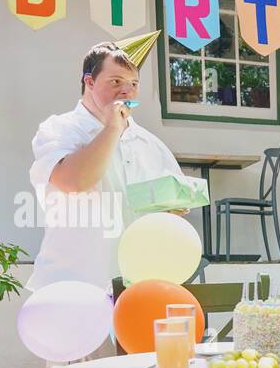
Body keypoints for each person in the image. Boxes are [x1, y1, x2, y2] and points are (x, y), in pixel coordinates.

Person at [28, 38, 185, 291]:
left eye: (133, 84)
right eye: (116, 82)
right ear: (89, 82)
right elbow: (74, 181)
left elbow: (173, 211)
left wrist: (173, 207)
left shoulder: (151, 144)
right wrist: (113, 127)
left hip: (137, 286)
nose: (127, 91)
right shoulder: (60, 128)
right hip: (72, 284)